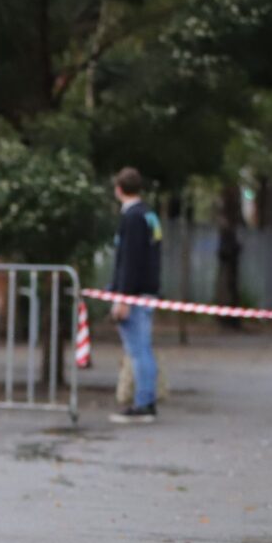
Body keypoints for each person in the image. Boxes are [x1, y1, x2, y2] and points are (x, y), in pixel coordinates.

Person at [106, 167, 162, 424]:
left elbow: (129, 260)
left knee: (138, 350)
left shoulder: (132, 218)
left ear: (119, 189)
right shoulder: (149, 215)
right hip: (148, 290)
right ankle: (146, 399)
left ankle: (144, 403)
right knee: (143, 349)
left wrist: (122, 298)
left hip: (135, 294)